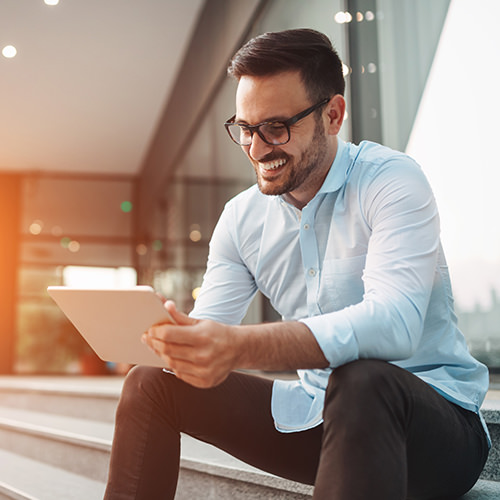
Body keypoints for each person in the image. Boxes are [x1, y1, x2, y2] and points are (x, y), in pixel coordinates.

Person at [104, 28, 490, 499]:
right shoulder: (242, 218)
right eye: (245, 129)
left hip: (433, 428)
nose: (257, 148)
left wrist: (237, 346)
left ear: (332, 114)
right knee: (151, 384)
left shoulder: (391, 181)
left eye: (276, 128)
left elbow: (394, 325)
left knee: (362, 377)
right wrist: (175, 341)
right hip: (318, 419)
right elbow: (211, 333)